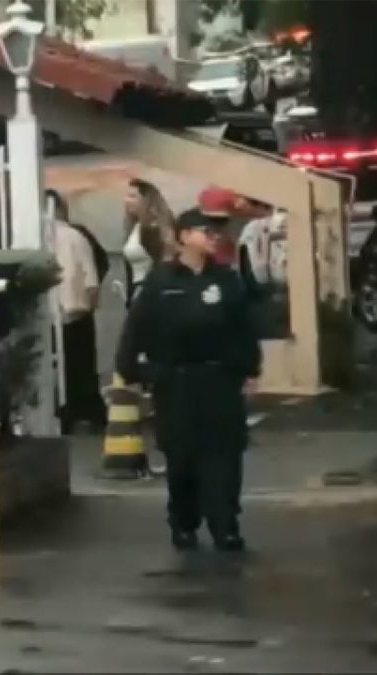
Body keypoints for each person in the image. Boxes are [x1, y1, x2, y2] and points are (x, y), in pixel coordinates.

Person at [116, 208, 261, 552]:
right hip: (176, 382)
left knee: (224, 456)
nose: (214, 237)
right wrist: (135, 372)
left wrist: (249, 369)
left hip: (219, 380)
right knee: (182, 457)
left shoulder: (227, 280)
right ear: (183, 236)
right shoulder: (161, 282)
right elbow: (135, 330)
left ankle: (225, 525)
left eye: (216, 231)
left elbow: (243, 328)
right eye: (205, 231)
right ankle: (183, 521)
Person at [47, 190, 107, 434]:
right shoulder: (76, 235)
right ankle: (86, 412)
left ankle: (60, 412)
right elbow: (91, 276)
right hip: (77, 311)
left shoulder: (31, 237)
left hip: (48, 314)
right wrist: (91, 305)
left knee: (53, 367)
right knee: (81, 366)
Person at [121, 179, 177, 305]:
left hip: (153, 292)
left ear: (146, 200)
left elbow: (164, 264)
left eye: (133, 196)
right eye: (126, 196)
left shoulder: (156, 227)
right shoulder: (135, 226)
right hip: (139, 291)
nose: (126, 201)